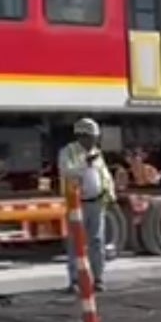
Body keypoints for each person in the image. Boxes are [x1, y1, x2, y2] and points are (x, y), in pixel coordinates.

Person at [58, 117, 115, 293]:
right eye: (91, 137)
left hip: (96, 202)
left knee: (97, 241)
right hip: (77, 204)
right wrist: (85, 164)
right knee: (76, 242)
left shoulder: (97, 153)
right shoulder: (69, 151)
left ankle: (98, 278)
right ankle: (74, 280)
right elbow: (66, 170)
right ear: (82, 136)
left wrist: (110, 194)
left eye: (95, 137)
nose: (94, 141)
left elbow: (104, 174)